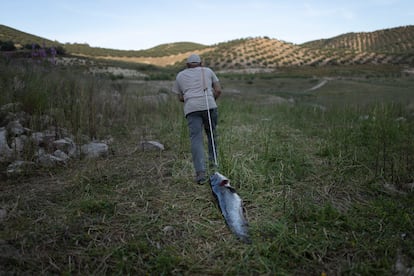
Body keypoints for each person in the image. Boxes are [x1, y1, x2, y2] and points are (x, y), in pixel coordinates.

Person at [173, 54, 222, 184]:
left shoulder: (180, 75)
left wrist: (191, 98)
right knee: (212, 135)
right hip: (209, 105)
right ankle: (214, 166)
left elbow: (180, 97)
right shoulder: (208, 71)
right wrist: (211, 100)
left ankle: (200, 173)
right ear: (201, 63)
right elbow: (218, 90)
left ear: (187, 65)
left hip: (191, 108)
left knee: (196, 139)